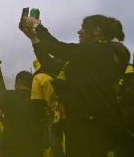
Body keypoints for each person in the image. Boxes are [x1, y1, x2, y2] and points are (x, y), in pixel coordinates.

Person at [21, 14, 130, 157]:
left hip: (92, 125)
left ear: (96, 31)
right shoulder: (88, 58)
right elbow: (50, 64)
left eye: (83, 28)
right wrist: (34, 38)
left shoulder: (99, 51)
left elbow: (56, 47)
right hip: (85, 123)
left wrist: (37, 25)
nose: (79, 32)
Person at [0, 71, 43, 157]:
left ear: (18, 82)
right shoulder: (38, 100)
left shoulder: (7, 94)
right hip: (34, 147)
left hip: (10, 146)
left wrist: (5, 122)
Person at [30, 59, 63, 157]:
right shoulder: (56, 76)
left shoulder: (38, 78)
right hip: (65, 113)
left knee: (55, 145)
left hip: (52, 117)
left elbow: (37, 102)